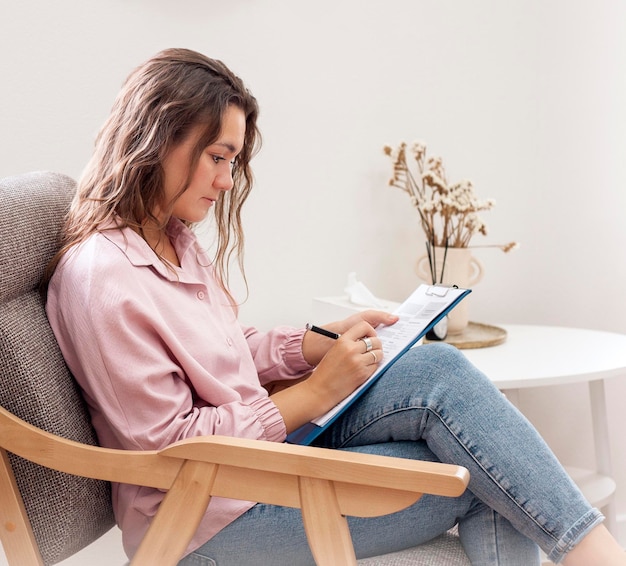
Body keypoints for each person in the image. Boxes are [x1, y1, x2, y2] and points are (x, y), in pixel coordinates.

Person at [43, 48, 625, 566]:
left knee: (442, 377)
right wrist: (316, 393)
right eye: (217, 157)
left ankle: (591, 551)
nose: (225, 181)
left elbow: (227, 351)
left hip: (263, 464)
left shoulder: (170, 240)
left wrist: (314, 344)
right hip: (205, 520)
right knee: (486, 477)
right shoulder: (103, 277)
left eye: (232, 162)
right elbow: (172, 448)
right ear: (161, 138)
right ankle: (595, 555)